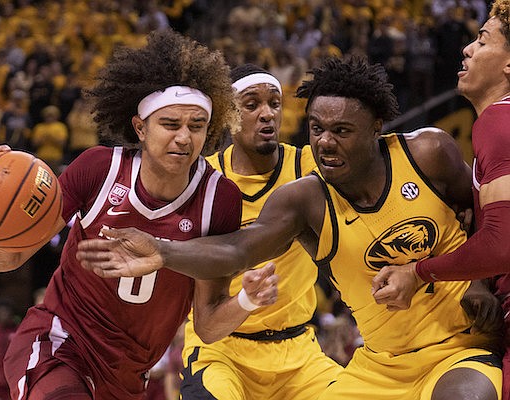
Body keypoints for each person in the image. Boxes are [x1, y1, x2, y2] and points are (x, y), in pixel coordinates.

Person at [83, 56, 504, 399]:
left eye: (275, 103)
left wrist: (480, 282)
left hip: (321, 349)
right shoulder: (258, 191)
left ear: (376, 127)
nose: (324, 142)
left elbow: (488, 220)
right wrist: (162, 250)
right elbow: (235, 255)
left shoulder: (411, 155)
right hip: (242, 352)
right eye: (317, 129)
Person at [0, 29, 278, 400]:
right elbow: (7, 260)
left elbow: (206, 326)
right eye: (170, 124)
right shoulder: (99, 168)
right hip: (64, 343)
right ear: (140, 127)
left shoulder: (218, 198)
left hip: (128, 377)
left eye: (197, 126)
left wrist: (248, 301)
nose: (184, 138)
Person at [371, 1, 510, 398]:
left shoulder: (498, 122)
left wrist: (418, 273)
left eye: (483, 41)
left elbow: (502, 245)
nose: (467, 49)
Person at [179, 63, 342, 399]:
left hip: (299, 354)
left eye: (274, 104)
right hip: (222, 350)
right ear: (227, 117)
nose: (267, 114)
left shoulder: (311, 168)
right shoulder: (201, 179)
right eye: (252, 105)